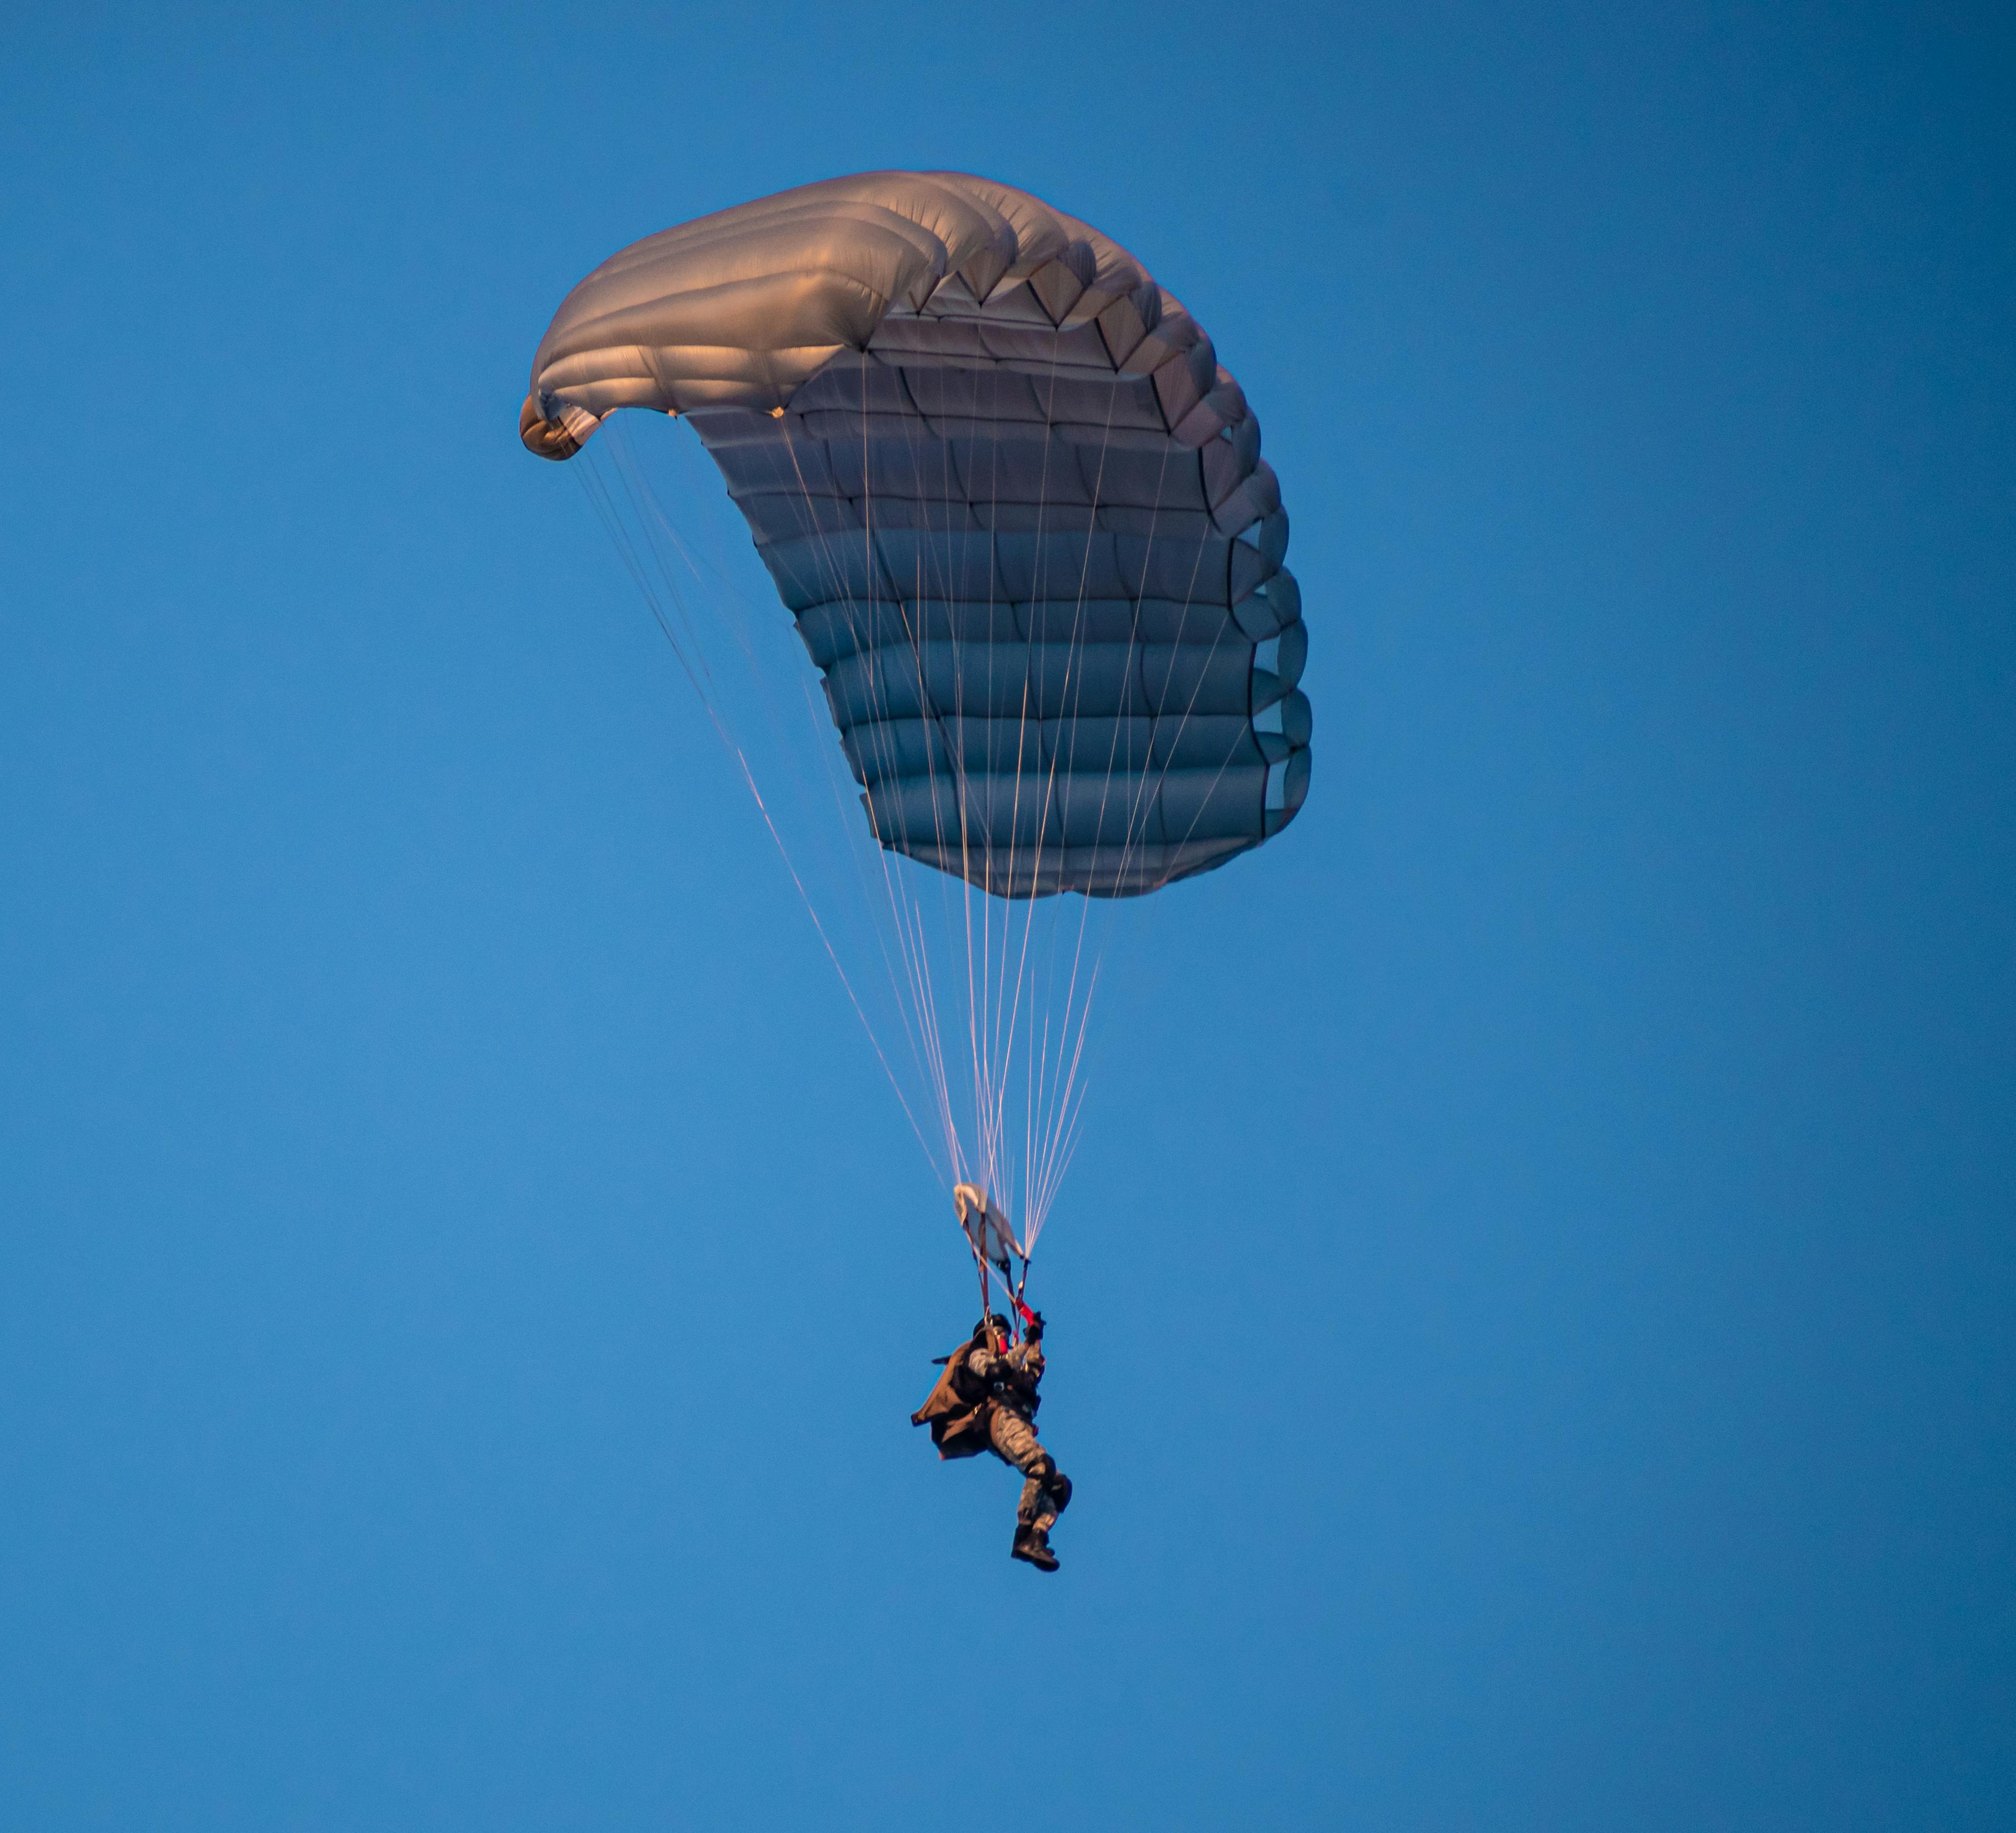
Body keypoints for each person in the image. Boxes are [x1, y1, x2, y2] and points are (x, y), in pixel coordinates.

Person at [911, 1310, 1072, 1571]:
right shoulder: (977, 1354)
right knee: (1040, 1466)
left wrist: (1035, 1338)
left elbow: (1031, 1373)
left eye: (1007, 1335)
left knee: (1060, 1486)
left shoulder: (1014, 1365)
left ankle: (1037, 1537)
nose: (1004, 1338)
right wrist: (1024, 1346)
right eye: (1000, 1334)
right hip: (999, 1419)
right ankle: (1023, 1535)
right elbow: (997, 1370)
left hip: (1017, 1421)